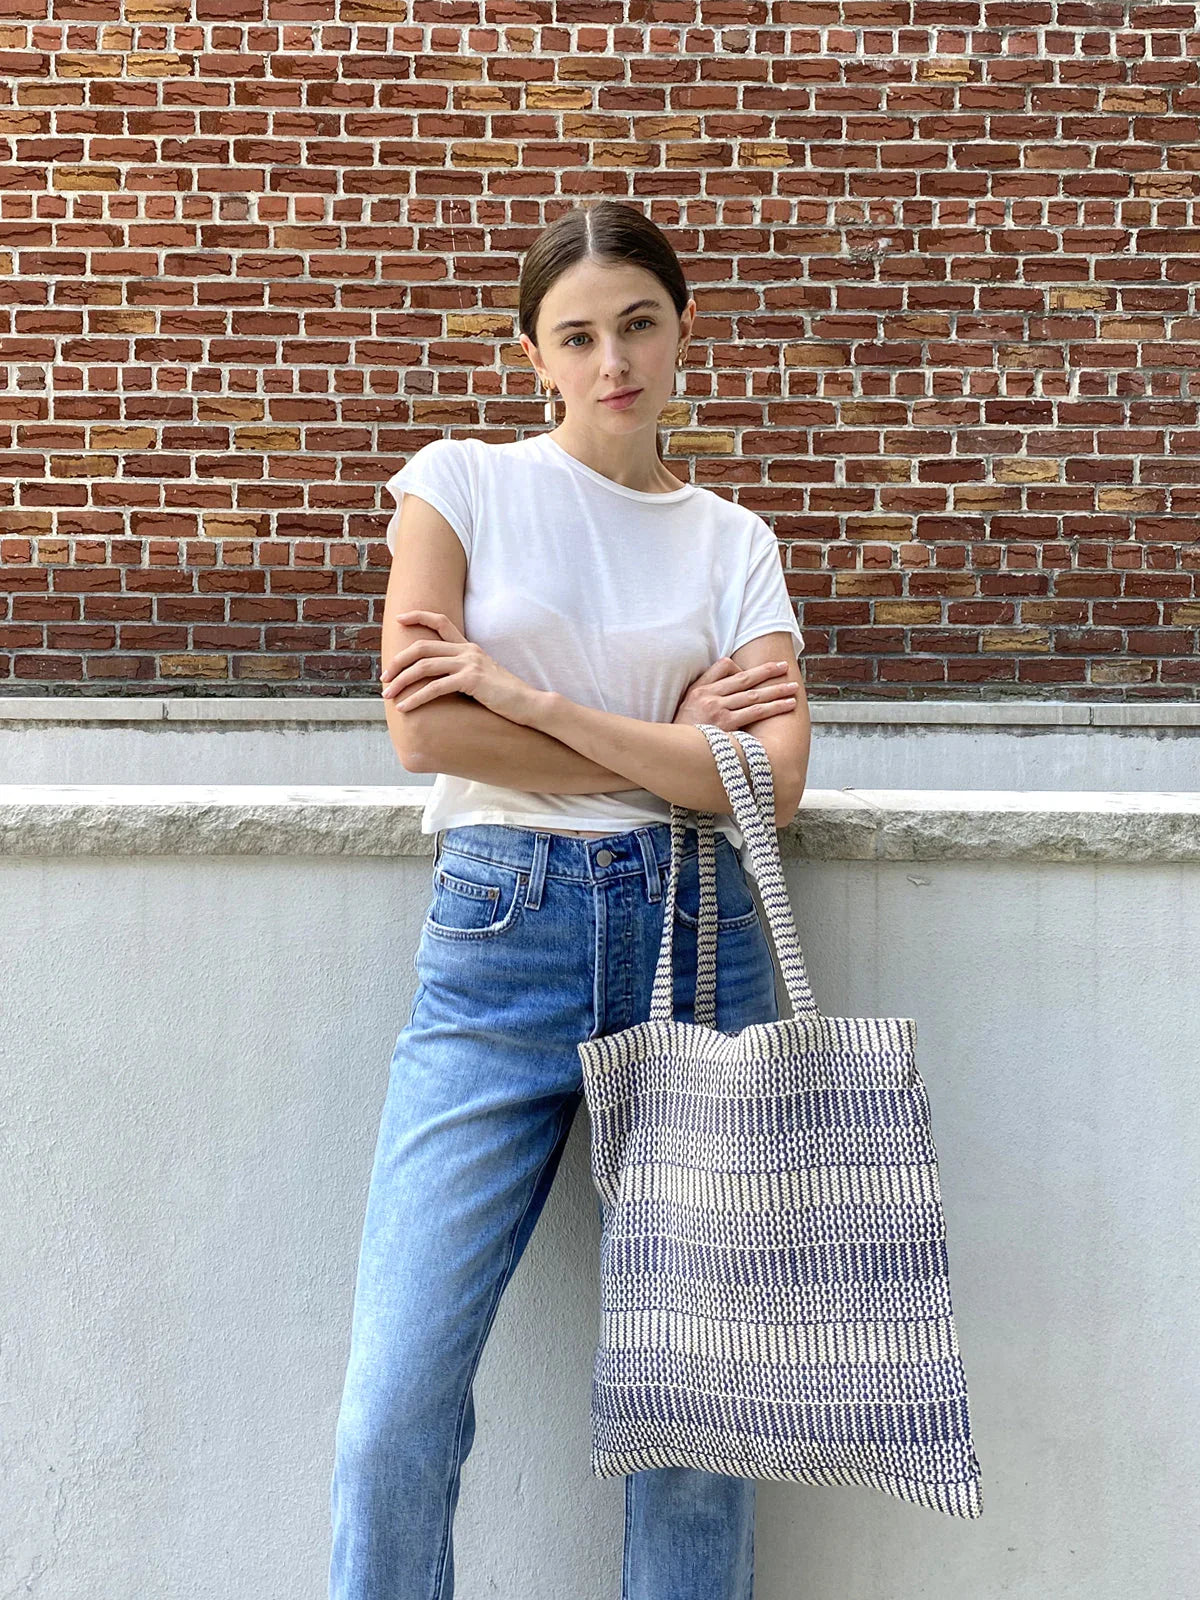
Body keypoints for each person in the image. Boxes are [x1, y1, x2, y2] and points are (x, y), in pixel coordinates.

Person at [329, 199, 811, 1600]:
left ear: (683, 330)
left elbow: (772, 784)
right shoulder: (459, 486)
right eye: (580, 335)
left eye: (640, 325)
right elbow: (426, 732)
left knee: (697, 1418)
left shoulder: (733, 542)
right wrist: (666, 741)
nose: (615, 362)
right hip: (500, 946)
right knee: (394, 1404)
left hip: (699, 940)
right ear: (533, 352)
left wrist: (531, 701)